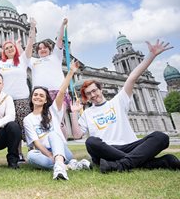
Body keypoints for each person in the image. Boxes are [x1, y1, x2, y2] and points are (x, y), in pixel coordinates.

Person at [70, 39, 180, 173]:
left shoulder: (118, 100)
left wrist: (151, 56)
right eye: (88, 94)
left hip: (130, 146)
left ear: (101, 89)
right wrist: (74, 113)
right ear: (86, 97)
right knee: (91, 142)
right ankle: (153, 162)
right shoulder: (87, 113)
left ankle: (120, 165)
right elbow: (76, 136)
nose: (93, 95)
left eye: (94, 90)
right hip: (106, 150)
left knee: (161, 137)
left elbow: (132, 77)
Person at [24, 60, 90, 181]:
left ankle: (59, 167)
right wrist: (51, 155)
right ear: (32, 97)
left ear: (45, 100)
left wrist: (70, 72)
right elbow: (36, 143)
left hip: (62, 150)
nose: (38, 97)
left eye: (41, 95)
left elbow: (61, 92)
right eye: (35, 94)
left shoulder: (52, 111)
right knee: (31, 155)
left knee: (53, 134)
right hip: (46, 153)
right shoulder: (27, 119)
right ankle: (70, 165)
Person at [0, 17, 36, 160]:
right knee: (14, 128)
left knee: (27, 126)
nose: (9, 49)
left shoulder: (23, 60)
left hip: (23, 98)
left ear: (15, 48)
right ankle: (17, 153)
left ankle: (34, 151)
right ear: (3, 51)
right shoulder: (0, 64)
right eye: (6, 48)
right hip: (8, 100)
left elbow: (30, 45)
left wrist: (32, 28)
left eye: (11, 47)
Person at [29, 18, 72, 138]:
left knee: (59, 121)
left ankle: (63, 147)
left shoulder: (56, 57)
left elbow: (59, 41)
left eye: (45, 48)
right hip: (41, 95)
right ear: (37, 51)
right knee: (44, 122)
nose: (42, 49)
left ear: (50, 49)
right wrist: (32, 28)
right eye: (40, 48)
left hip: (58, 92)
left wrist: (62, 25)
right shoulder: (33, 61)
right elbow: (25, 53)